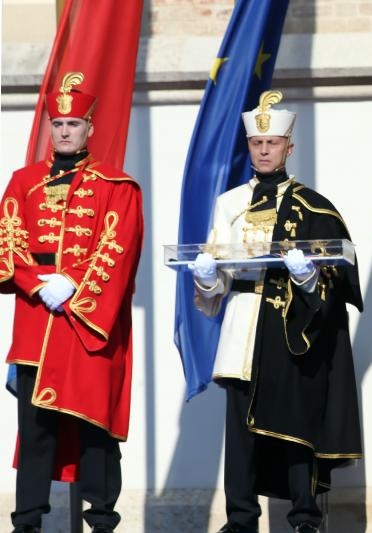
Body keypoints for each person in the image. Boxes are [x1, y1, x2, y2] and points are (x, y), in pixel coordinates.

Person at [190, 90, 363, 533]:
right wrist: (207, 274)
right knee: (241, 436)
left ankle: (304, 518)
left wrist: (307, 277)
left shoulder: (313, 206)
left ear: (289, 147)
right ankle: (241, 520)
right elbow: (215, 288)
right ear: (249, 147)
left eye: (272, 143)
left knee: (294, 429)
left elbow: (338, 276)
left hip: (290, 329)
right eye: (256, 143)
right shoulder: (228, 203)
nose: (264, 150)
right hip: (243, 327)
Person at [0, 72, 144, 533]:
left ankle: (102, 520)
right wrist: (38, 283)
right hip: (36, 320)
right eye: (57, 123)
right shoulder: (23, 182)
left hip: (87, 324)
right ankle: (27, 522)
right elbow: (6, 241)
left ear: (90, 129)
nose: (64, 131)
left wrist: (75, 284)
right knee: (36, 427)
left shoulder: (117, 186)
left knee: (93, 427)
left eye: (73, 124)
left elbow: (119, 249)